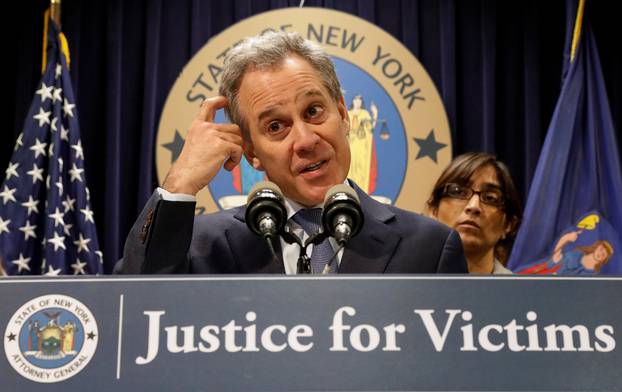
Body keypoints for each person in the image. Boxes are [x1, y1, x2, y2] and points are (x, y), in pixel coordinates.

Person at [114, 31, 467, 275]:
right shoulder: (203, 246)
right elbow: (132, 312)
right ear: (251, 152)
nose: (305, 139)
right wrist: (180, 184)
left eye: (314, 111)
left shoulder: (431, 248)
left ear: (342, 114)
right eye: (275, 127)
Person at [426, 152, 522, 274]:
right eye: (458, 191)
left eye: (490, 198)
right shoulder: (402, 286)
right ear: (433, 210)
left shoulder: (522, 292)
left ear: (509, 224)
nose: (473, 206)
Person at [518, 231, 613, 275]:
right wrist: (566, 238)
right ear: (597, 247)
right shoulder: (575, 255)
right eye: (601, 250)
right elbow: (555, 259)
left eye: (604, 254)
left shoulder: (592, 274)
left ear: (604, 259)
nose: (600, 254)